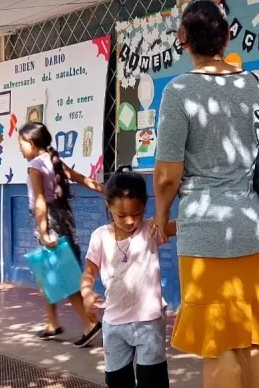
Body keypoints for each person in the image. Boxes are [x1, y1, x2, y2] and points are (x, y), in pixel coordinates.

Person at [151, 0, 259, 388]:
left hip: (207, 232)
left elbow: (166, 175)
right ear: (228, 37)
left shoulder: (179, 91)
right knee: (257, 336)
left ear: (183, 39)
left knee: (219, 343)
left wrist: (162, 216)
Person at [80, 166, 175, 388]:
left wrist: (164, 213)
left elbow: (184, 227)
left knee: (152, 381)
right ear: (108, 207)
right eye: (121, 215)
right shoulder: (100, 237)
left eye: (137, 212)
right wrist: (86, 291)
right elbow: (89, 270)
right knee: (116, 380)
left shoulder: (150, 229)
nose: (131, 221)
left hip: (148, 323)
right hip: (114, 325)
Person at [18, 122, 103, 347]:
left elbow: (39, 201)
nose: (20, 149)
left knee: (64, 274)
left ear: (32, 143)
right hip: (64, 216)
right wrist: (104, 189)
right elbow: (79, 178)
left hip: (50, 221)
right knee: (47, 272)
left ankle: (89, 323)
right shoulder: (53, 161)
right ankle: (52, 323)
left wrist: (44, 231)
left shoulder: (35, 166)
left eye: (21, 144)